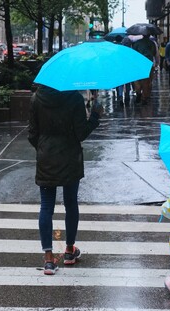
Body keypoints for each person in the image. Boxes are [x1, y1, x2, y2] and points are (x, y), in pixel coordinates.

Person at [28, 85, 103, 275]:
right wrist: (94, 116)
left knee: (46, 207)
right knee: (71, 203)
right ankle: (69, 250)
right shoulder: (74, 99)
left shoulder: (37, 99)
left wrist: (44, 148)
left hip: (46, 159)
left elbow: (32, 134)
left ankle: (48, 259)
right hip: (70, 158)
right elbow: (81, 133)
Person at [131, 34, 156, 105]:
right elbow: (154, 53)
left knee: (137, 79)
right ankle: (144, 97)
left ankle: (138, 92)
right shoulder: (152, 43)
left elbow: (133, 53)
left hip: (139, 63)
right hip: (148, 63)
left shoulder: (137, 43)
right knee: (146, 82)